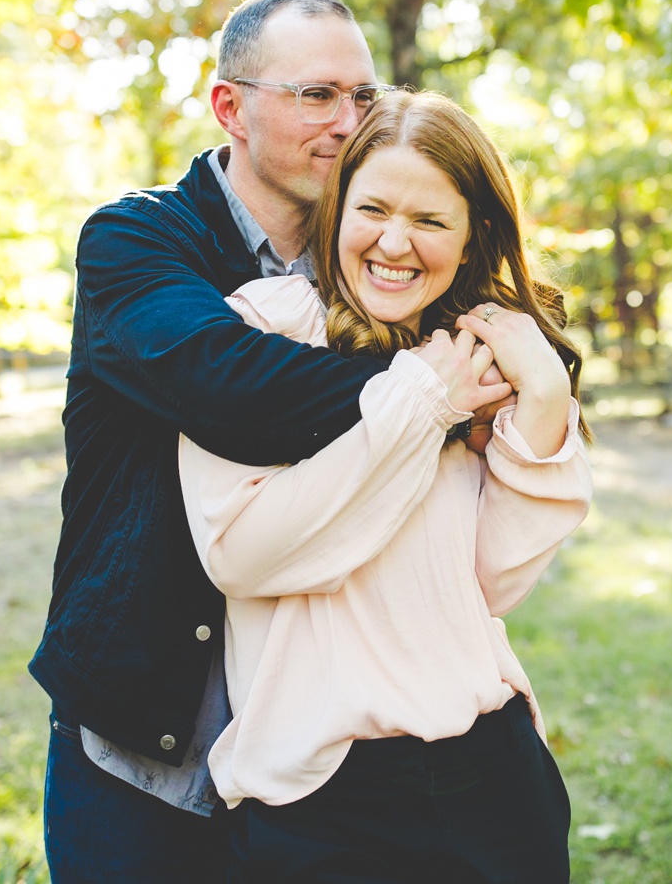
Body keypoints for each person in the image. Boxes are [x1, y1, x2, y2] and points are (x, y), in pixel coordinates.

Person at [30, 0, 426, 882]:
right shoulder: (135, 241)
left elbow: (517, 337)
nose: (348, 121)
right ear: (229, 106)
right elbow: (228, 391)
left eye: (363, 97)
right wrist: (431, 390)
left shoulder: (376, 263)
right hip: (140, 744)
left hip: (316, 751)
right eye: (316, 95)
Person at [181, 91, 594, 882]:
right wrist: (419, 406)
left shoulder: (474, 351)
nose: (394, 243)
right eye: (372, 208)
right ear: (337, 209)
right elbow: (241, 556)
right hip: (321, 793)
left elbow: (489, 585)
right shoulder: (259, 331)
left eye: (431, 221)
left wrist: (542, 401)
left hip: (490, 772)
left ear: (473, 233)